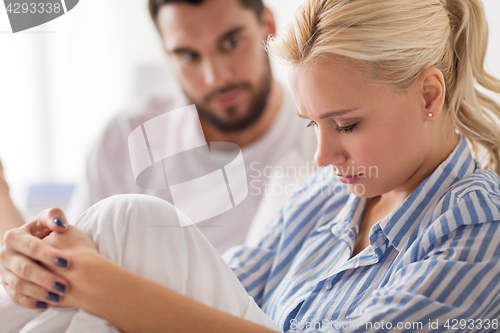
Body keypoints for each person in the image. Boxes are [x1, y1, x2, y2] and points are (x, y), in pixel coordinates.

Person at [1, 0, 500, 332]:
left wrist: (98, 282)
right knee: (116, 232)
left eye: (345, 125)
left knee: (122, 225)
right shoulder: (326, 197)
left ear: (428, 95)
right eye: (312, 126)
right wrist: (65, 270)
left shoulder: (477, 221)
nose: (322, 158)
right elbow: (208, 287)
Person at [62, 0, 317, 254]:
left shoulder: (326, 144)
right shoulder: (126, 139)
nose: (215, 77)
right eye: (189, 56)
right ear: (168, 56)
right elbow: (75, 260)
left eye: (231, 43)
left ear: (268, 26)